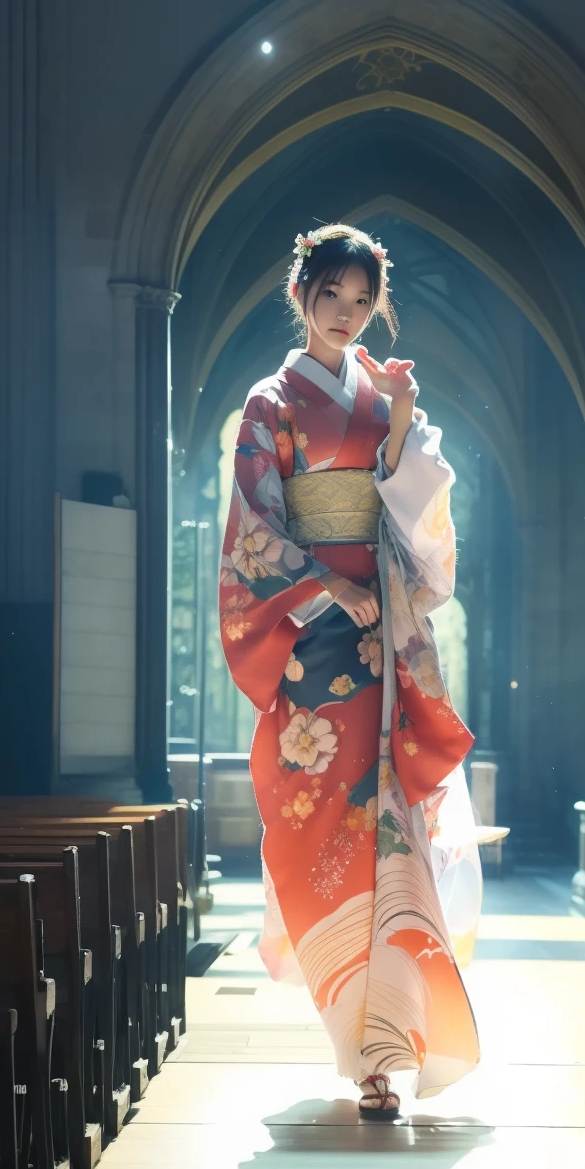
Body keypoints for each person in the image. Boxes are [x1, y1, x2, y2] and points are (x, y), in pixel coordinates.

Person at [218, 223, 481, 1118]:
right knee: (322, 835)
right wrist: (323, 577)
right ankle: (356, 1034)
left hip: (384, 653)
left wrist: (402, 427)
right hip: (311, 652)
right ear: (300, 295)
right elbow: (254, 524)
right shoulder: (269, 403)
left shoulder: (382, 391)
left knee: (389, 835)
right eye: (330, 295)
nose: (345, 314)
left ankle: (384, 1047)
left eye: (362, 301)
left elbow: (422, 507)